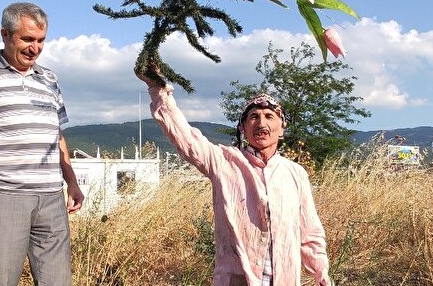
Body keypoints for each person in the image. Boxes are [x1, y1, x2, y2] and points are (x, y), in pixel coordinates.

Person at [138, 68, 332, 286]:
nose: (261, 123)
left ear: (281, 129)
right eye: (254, 117)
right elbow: (187, 139)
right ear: (243, 127)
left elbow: (310, 232)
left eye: (269, 116)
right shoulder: (224, 162)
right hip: (236, 279)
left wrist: (321, 271)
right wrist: (157, 88)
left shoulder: (295, 174)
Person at [0, 2, 85, 286]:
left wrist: (72, 182)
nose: (35, 48)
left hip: (51, 197)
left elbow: (56, 134)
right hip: (3, 195)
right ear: (5, 34)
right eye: (27, 39)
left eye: (41, 40)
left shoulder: (49, 79)